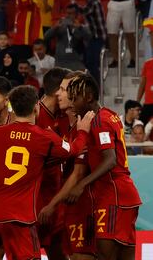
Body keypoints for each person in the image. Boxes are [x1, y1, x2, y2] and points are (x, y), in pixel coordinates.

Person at [0, 85, 94, 260]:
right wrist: (83, 131)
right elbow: (73, 150)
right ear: (36, 107)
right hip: (20, 215)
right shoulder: (44, 137)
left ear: (13, 108)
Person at [66, 73, 142, 260]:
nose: (71, 104)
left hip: (114, 193)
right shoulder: (111, 115)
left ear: (89, 97)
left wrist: (81, 184)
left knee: (104, 255)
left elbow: (110, 160)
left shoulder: (99, 121)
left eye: (75, 99)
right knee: (124, 255)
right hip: (123, 194)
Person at [38, 71, 97, 260]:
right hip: (62, 200)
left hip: (81, 202)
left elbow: (78, 173)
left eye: (64, 89)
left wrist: (52, 205)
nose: (58, 94)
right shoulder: (66, 122)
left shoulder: (87, 125)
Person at [35, 67, 71, 260]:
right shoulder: (33, 117)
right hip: (34, 201)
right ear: (58, 90)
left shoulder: (64, 115)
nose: (71, 93)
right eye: (68, 88)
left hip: (56, 198)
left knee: (58, 253)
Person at [70, 0, 107, 83]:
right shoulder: (93, 1)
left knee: (92, 63)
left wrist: (73, 1)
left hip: (97, 37)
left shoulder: (93, 2)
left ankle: (98, 87)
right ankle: (95, 85)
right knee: (88, 62)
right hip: (93, 37)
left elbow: (83, 11)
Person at [44, 4, 91, 71]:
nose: (68, 15)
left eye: (71, 13)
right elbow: (46, 37)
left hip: (76, 62)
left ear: (76, 14)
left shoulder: (81, 27)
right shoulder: (60, 26)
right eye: (67, 13)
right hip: (60, 62)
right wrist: (55, 27)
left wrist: (80, 28)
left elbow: (89, 37)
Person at [105, 0, 138, 68]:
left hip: (128, 2)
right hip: (114, 2)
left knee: (129, 33)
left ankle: (133, 58)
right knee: (111, 33)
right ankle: (116, 59)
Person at [137, 58, 153, 124]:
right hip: (148, 103)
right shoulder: (147, 64)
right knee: (139, 125)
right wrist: (137, 102)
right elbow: (142, 85)